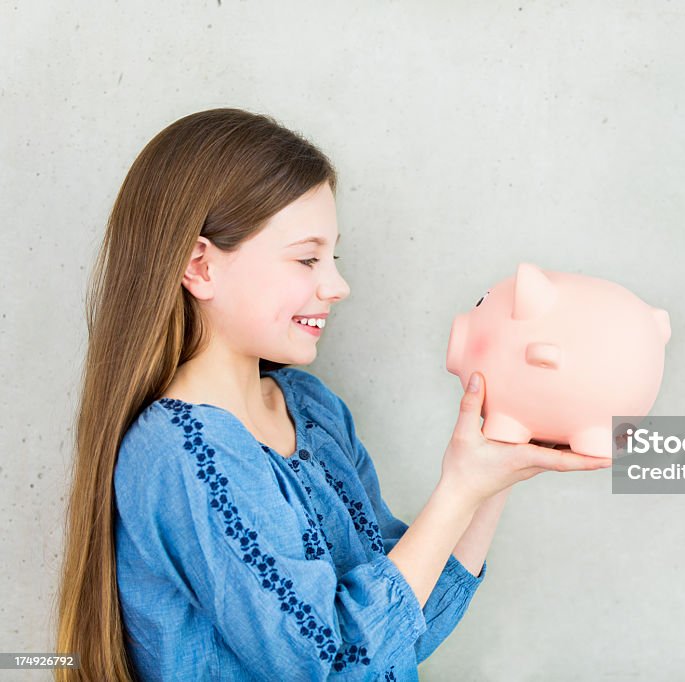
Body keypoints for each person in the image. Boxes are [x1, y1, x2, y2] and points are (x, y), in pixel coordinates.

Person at [55, 108, 611, 681]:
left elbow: (403, 634)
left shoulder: (311, 408)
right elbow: (337, 664)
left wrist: (491, 476)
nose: (337, 285)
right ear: (200, 266)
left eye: (334, 257)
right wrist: (459, 487)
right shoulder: (183, 453)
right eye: (306, 258)